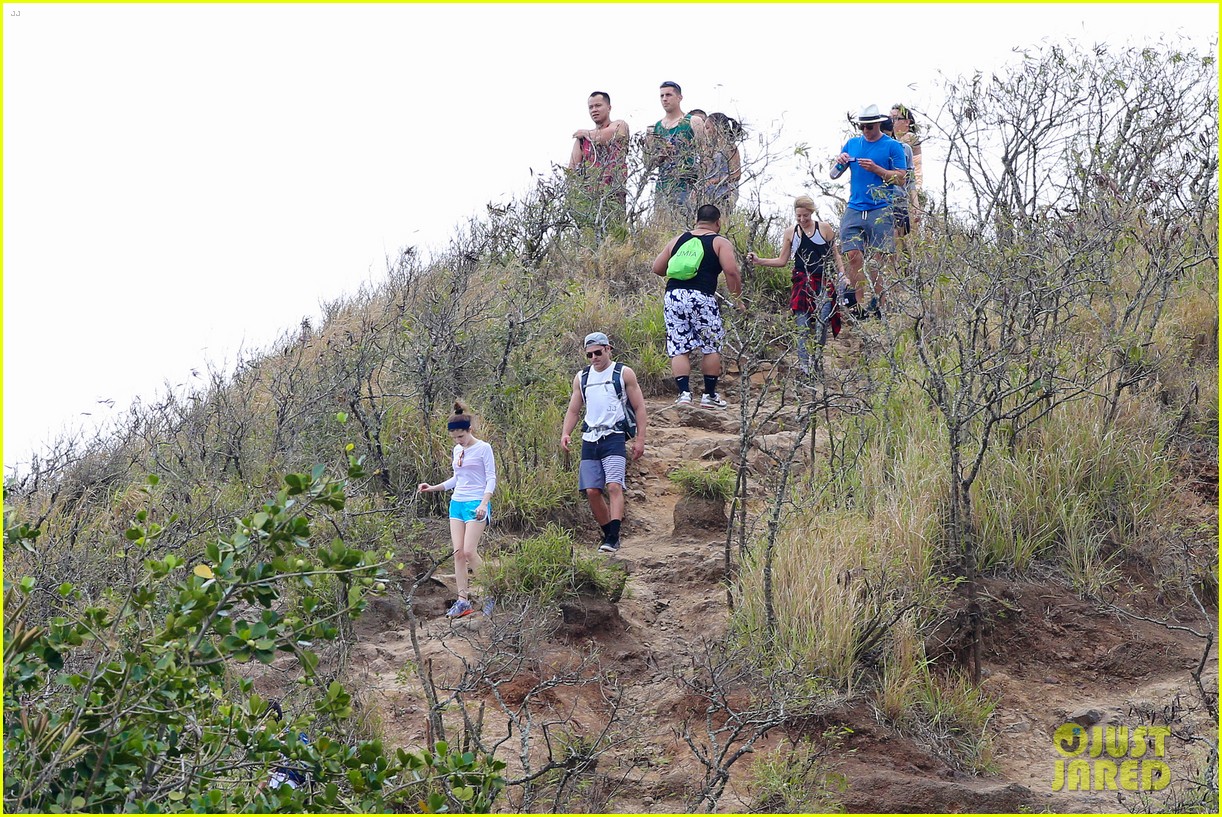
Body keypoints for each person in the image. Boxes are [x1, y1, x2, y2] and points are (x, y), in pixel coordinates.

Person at [561, 332, 649, 554]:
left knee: (614, 486)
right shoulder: (582, 378)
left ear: (608, 349)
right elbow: (574, 409)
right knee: (591, 490)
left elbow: (639, 407)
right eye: (589, 354)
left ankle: (613, 536)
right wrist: (566, 432)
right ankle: (608, 532)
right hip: (590, 437)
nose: (594, 358)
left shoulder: (623, 373)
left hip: (614, 436)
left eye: (598, 352)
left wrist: (640, 439)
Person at [650, 203, 744, 408]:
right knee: (711, 346)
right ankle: (709, 396)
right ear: (718, 223)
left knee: (678, 345)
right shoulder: (719, 242)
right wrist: (738, 299)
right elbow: (731, 271)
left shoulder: (678, 240)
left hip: (673, 296)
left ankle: (684, 395)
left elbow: (657, 268)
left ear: (696, 220)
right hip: (702, 297)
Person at [747, 195, 845, 372]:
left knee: (823, 322)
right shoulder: (790, 232)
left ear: (811, 213)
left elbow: (835, 254)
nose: (802, 219)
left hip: (823, 280)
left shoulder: (824, 228)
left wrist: (842, 274)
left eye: (805, 216)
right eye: (798, 216)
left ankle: (817, 360)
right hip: (802, 281)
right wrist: (759, 260)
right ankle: (804, 366)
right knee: (802, 325)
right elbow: (782, 260)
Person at [417, 401, 497, 618]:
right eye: (454, 438)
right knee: (458, 553)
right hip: (457, 503)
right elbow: (457, 479)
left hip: (476, 503)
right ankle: (463, 600)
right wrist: (433, 488)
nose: (458, 441)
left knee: (470, 551)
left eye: (461, 436)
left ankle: (492, 593)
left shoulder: (483, 448)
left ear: (469, 430)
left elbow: (491, 478)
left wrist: (483, 503)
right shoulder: (457, 450)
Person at [833, 104, 907, 317]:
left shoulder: (892, 146)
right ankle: (856, 306)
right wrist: (840, 163)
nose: (866, 131)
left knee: (876, 261)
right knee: (854, 256)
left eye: (869, 127)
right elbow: (833, 174)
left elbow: (901, 178)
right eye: (862, 127)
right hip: (855, 207)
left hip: (880, 208)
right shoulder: (852, 144)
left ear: (878, 124)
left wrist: (877, 169)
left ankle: (880, 305)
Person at [568, 90, 629, 213]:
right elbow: (571, 170)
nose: (594, 110)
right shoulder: (582, 140)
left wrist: (586, 133)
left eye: (598, 106)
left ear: (609, 107)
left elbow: (609, 135)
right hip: (588, 198)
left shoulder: (620, 125)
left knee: (615, 230)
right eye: (591, 107)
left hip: (614, 195)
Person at [647, 81, 701, 215]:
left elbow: (706, 154)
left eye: (669, 95)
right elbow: (648, 163)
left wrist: (700, 185)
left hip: (688, 184)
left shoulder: (693, 121)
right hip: (663, 186)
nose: (665, 99)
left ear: (679, 97)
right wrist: (661, 155)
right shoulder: (655, 128)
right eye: (662, 96)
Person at [880, 116, 918, 240]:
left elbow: (910, 179)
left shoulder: (904, 149)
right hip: (877, 201)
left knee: (896, 242)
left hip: (898, 200)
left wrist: (915, 204)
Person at [701, 113, 744, 212]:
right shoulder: (707, 148)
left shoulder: (730, 147)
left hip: (724, 194)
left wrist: (715, 181)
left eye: (707, 128)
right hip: (706, 194)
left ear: (718, 127)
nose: (705, 132)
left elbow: (737, 175)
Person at [890, 103, 923, 191]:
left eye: (895, 118)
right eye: (889, 119)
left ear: (907, 122)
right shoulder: (897, 139)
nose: (891, 122)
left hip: (910, 187)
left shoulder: (909, 137)